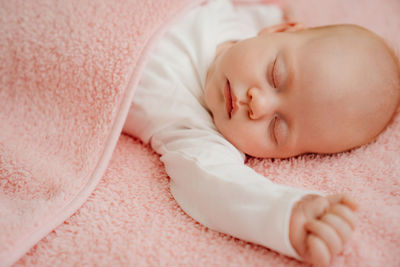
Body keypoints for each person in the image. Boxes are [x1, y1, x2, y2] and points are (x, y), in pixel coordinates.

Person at [122, 0, 400, 265]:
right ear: (279, 30)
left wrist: (287, 215)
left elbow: (215, 187)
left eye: (277, 128)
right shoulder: (231, 17)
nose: (259, 104)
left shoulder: (197, 130)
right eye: (275, 75)